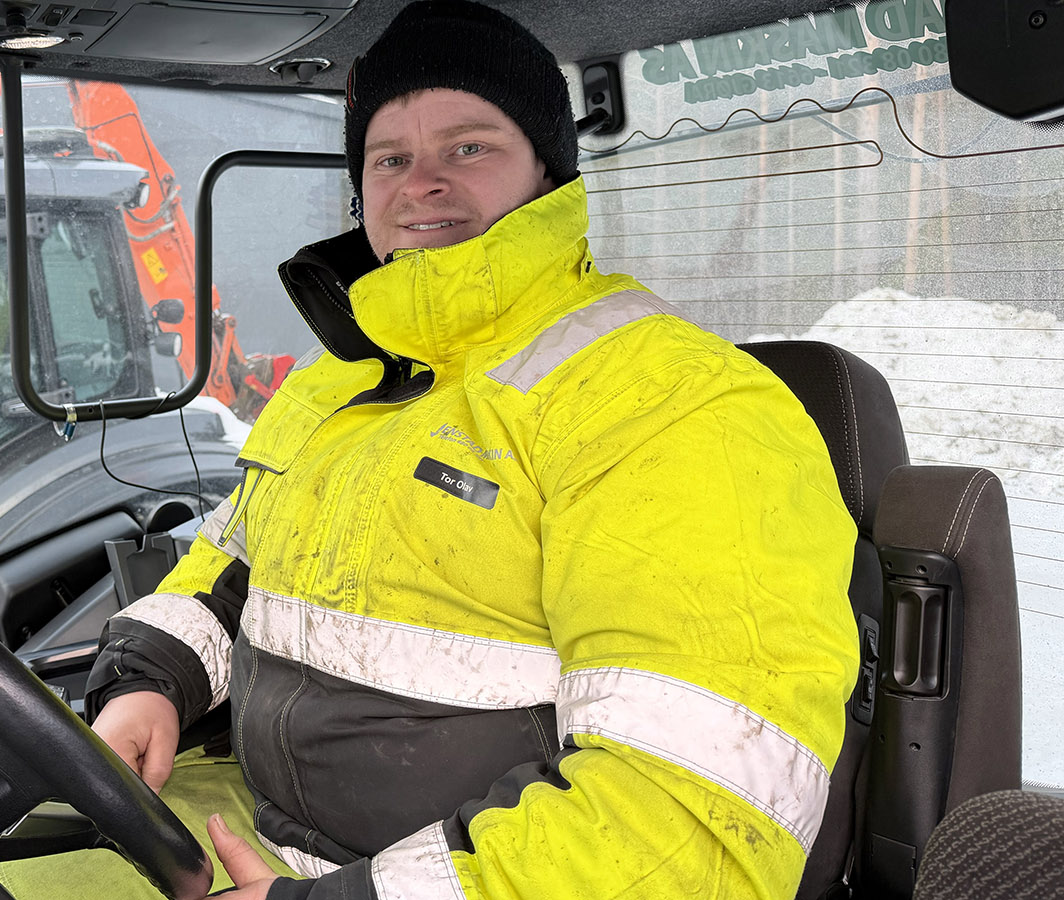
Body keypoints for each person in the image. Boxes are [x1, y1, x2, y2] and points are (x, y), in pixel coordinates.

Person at [45, 2, 860, 898]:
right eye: (389, 157)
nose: (419, 183)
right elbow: (231, 568)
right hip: (249, 830)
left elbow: (688, 820)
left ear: (548, 171)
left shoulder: (673, 405)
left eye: (468, 147)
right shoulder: (339, 380)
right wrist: (149, 682)